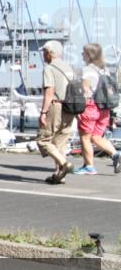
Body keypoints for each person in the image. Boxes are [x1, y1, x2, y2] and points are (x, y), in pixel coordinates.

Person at [73, 43, 120, 175]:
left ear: (89, 55)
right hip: (104, 108)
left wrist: (79, 110)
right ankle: (116, 154)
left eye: (84, 53)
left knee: (85, 137)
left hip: (91, 107)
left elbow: (85, 91)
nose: (82, 55)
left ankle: (89, 166)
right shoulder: (103, 69)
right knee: (96, 136)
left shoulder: (88, 70)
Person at [36, 40, 75, 183]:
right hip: (70, 108)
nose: (44, 55)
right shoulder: (69, 68)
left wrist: (43, 112)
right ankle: (59, 175)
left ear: (50, 53)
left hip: (56, 106)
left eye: (44, 52)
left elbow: (49, 91)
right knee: (60, 142)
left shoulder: (49, 68)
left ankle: (65, 164)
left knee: (43, 139)